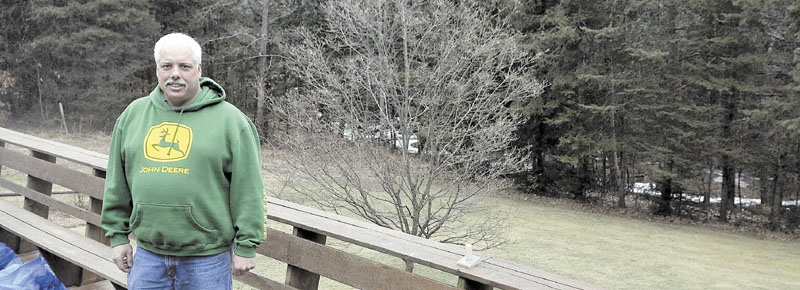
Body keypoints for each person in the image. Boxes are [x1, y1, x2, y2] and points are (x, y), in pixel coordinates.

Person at [100, 32, 266, 289]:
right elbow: (116, 182)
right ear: (157, 70)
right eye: (167, 66)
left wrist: (246, 245)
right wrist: (117, 236)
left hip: (207, 260)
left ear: (198, 70)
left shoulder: (231, 122)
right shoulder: (133, 116)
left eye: (184, 66)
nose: (174, 73)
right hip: (148, 257)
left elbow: (249, 190)